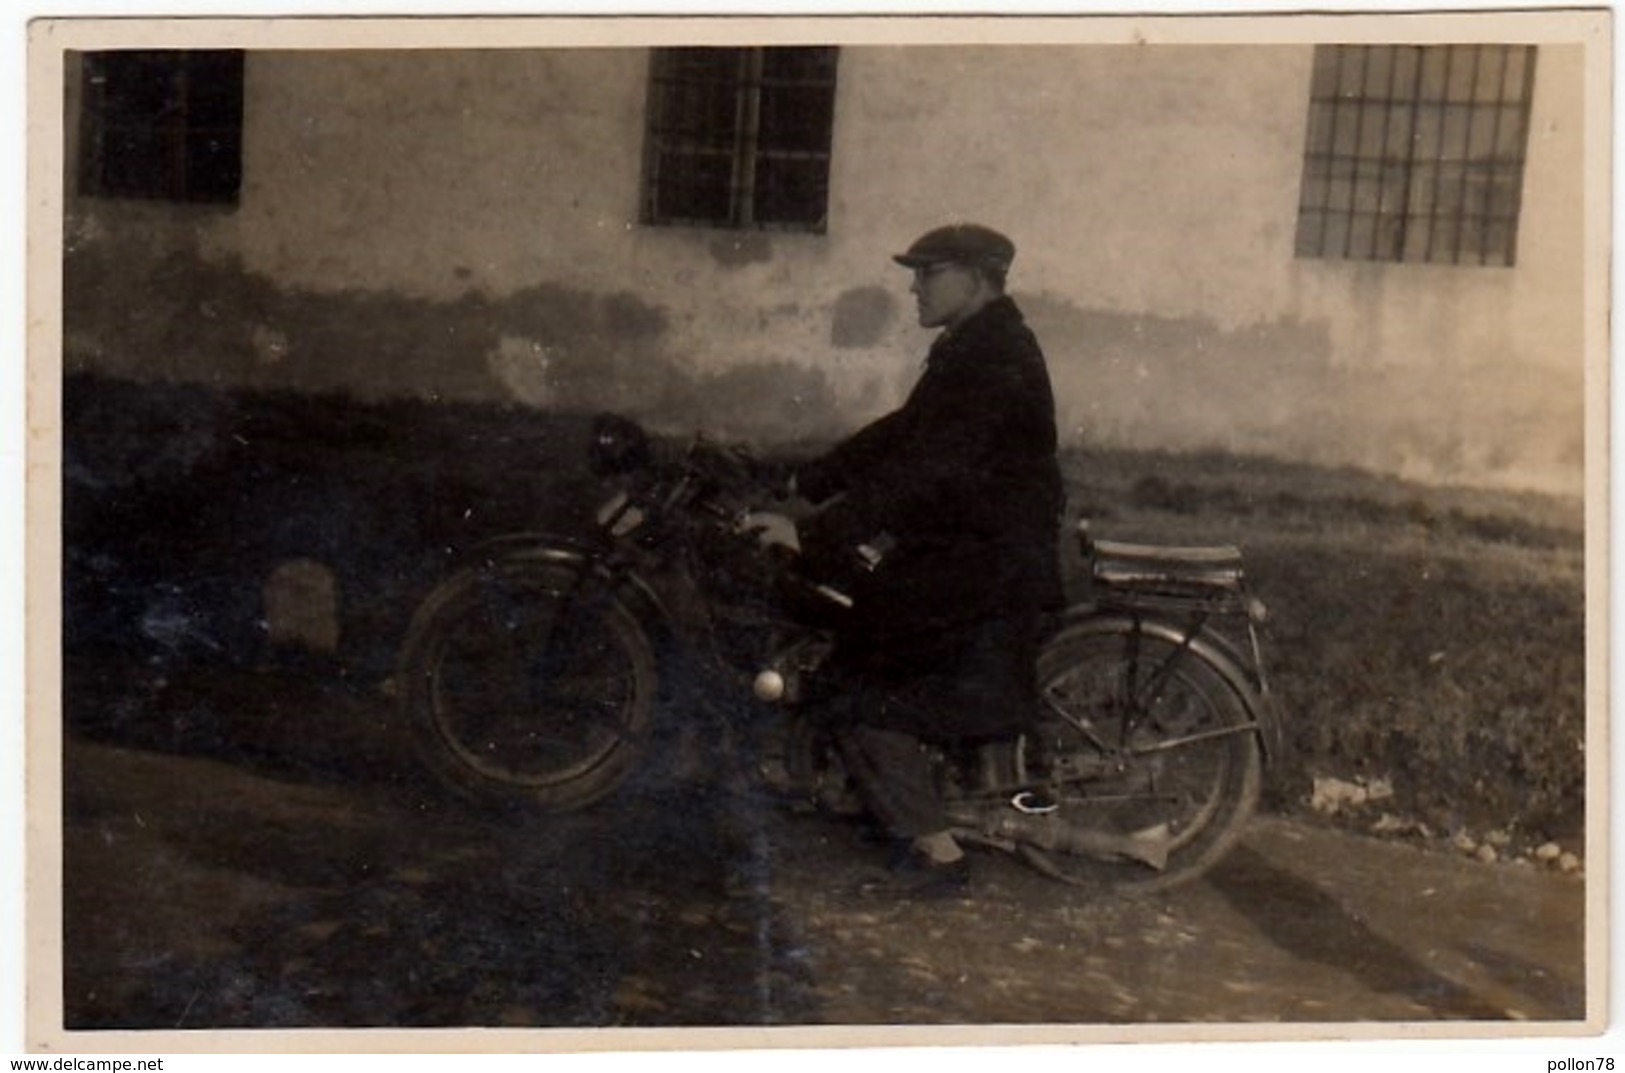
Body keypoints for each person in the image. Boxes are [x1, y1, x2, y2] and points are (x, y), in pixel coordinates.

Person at [792, 222, 1065, 898]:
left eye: (928, 272)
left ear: (974, 279)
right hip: (970, 549)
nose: (914, 285)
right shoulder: (976, 346)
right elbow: (904, 434)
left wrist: (814, 533)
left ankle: (936, 852)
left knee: (855, 679)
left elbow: (927, 472)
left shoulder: (992, 357)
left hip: (983, 564)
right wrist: (808, 481)